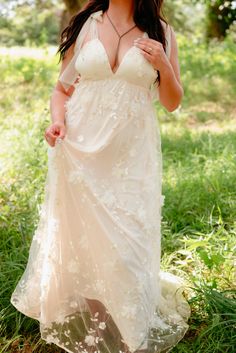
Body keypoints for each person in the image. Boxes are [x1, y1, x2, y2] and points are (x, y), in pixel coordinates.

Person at [10, 0, 191, 352]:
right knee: (85, 236)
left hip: (130, 154)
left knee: (127, 239)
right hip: (80, 148)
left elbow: (172, 101)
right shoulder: (87, 25)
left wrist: (164, 66)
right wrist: (58, 122)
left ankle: (128, 316)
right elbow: (62, 90)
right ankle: (98, 315)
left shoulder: (161, 31)